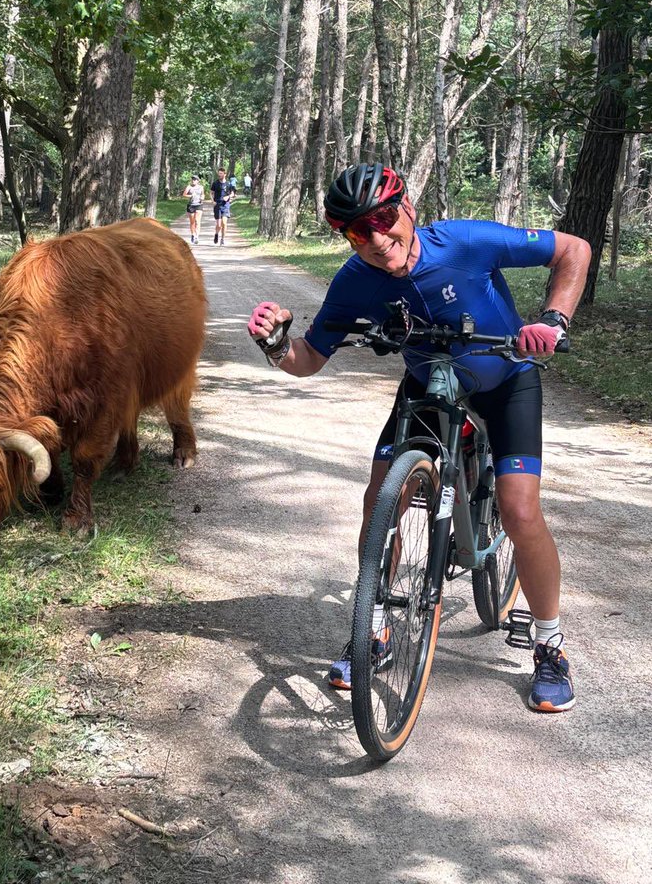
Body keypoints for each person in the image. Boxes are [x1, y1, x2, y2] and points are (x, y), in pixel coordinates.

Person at [247, 162, 591, 714]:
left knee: (520, 510)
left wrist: (553, 321)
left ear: (408, 208)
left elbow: (573, 249)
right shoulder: (355, 281)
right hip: (430, 387)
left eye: (384, 218)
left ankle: (550, 645)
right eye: (358, 231)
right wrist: (276, 344)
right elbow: (308, 358)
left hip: (507, 381)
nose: (377, 238)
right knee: (381, 500)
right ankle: (373, 629)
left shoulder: (465, 242)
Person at [211, 166, 236, 245]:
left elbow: (232, 193)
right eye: (219, 173)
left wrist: (228, 196)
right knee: (219, 224)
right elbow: (211, 193)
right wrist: (213, 201)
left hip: (225, 205)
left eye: (221, 173)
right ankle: (216, 234)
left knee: (224, 223)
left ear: (225, 174)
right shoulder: (215, 183)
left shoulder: (228, 184)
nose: (219, 175)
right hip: (217, 205)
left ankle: (222, 239)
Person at [182, 173, 205, 244]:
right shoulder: (189, 187)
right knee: (192, 222)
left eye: (195, 179)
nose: (193, 181)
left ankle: (197, 237)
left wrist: (202, 198)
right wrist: (190, 196)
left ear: (198, 181)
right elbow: (184, 194)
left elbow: (203, 194)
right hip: (191, 205)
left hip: (199, 205)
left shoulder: (201, 187)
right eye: (192, 179)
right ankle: (192, 234)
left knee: (197, 221)